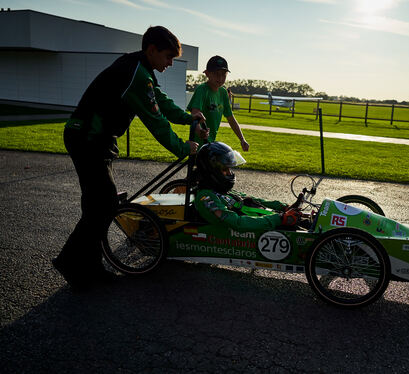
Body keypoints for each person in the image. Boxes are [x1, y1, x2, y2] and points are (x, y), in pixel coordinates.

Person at [52, 26, 206, 291]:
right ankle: (71, 263)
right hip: (87, 137)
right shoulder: (136, 73)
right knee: (103, 204)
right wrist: (184, 148)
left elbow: (161, 102)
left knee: (100, 205)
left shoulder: (141, 69)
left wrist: (187, 117)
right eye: (168, 56)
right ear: (152, 50)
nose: (171, 63)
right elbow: (156, 121)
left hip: (96, 138)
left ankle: (88, 266)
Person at [194, 142, 301, 230]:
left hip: (266, 221)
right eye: (225, 170)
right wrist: (278, 218)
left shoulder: (221, 191)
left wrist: (282, 207)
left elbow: (250, 200)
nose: (230, 173)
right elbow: (237, 223)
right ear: (211, 171)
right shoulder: (206, 198)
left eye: (229, 169)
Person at [187, 56, 250, 151]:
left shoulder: (223, 92)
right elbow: (195, 114)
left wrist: (242, 139)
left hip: (210, 142)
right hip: (198, 142)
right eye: (216, 74)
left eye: (223, 74)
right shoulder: (202, 90)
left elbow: (230, 118)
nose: (220, 78)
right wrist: (200, 131)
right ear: (207, 73)